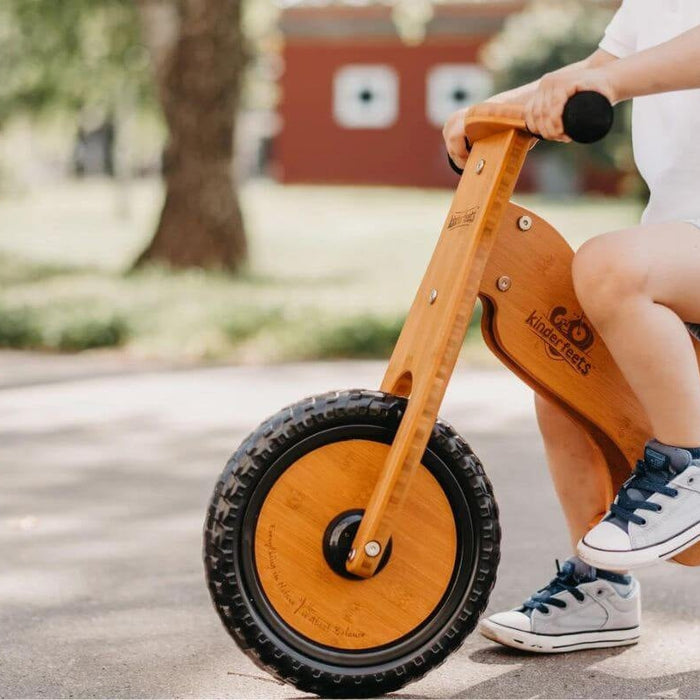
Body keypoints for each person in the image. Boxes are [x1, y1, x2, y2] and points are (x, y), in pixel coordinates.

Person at [443, 0, 700, 653]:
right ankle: (602, 588)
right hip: (683, 247)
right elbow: (594, 69)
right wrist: (496, 108)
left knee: (609, 269)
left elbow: (620, 76)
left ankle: (687, 467)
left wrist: (611, 86)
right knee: (564, 359)